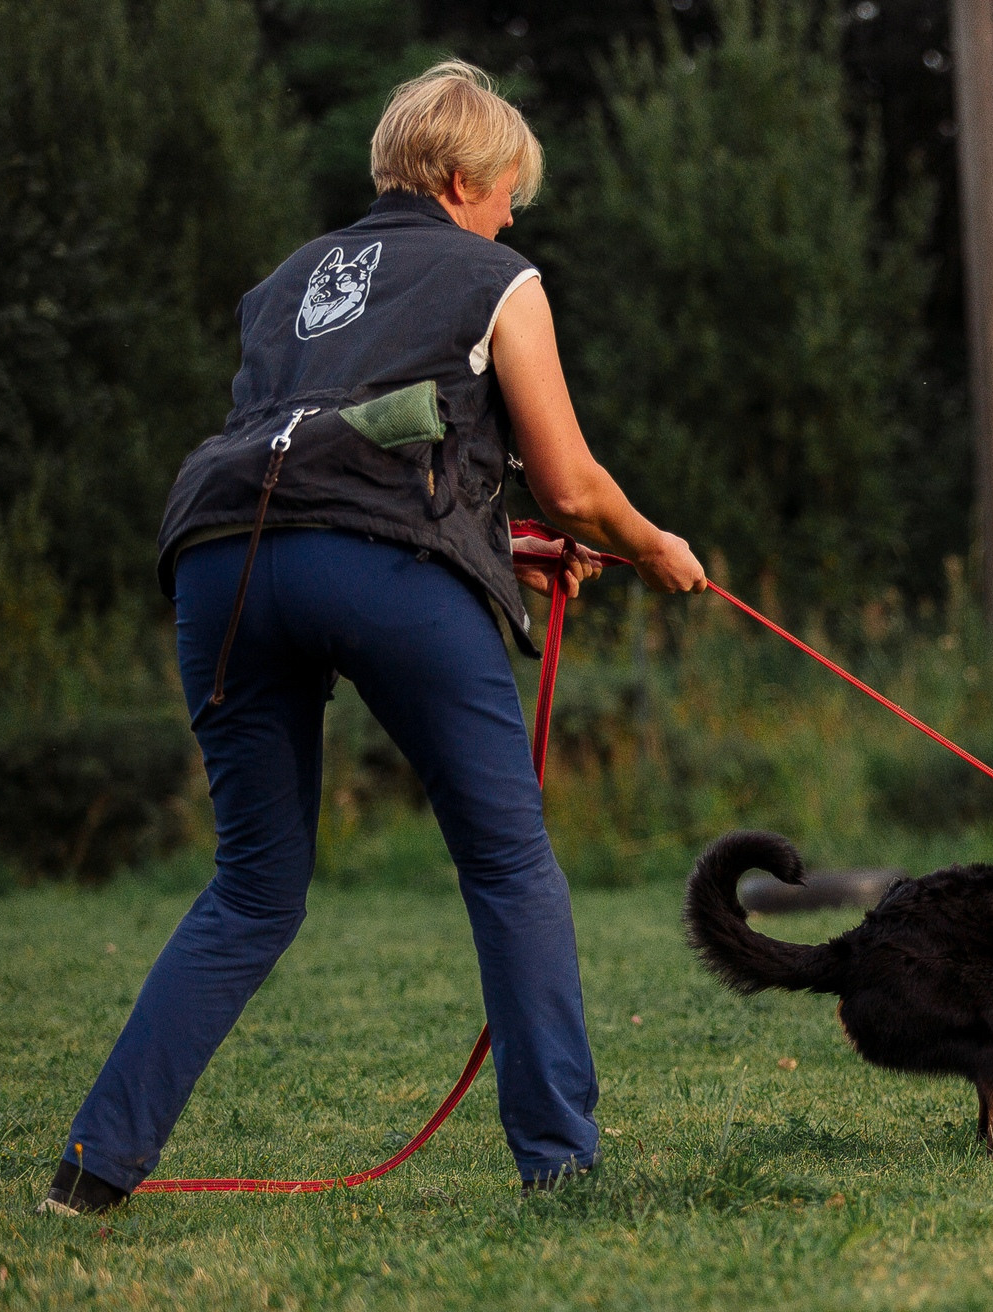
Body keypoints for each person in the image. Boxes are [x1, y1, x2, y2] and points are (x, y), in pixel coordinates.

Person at [42, 61, 707, 1214]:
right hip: (379, 568)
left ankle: (92, 1171)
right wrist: (651, 546)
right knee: (507, 865)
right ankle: (560, 1165)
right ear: (462, 179)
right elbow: (572, 479)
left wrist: (507, 547)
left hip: (222, 560)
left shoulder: (283, 285)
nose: (514, 214)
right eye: (508, 191)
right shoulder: (497, 277)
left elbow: (334, 450)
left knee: (252, 888)